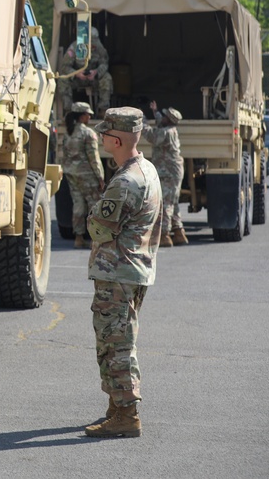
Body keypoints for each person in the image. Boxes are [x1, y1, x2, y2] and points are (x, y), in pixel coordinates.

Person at [84, 106, 162, 438]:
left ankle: (127, 414)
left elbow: (99, 227)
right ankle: (117, 406)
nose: (100, 137)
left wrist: (91, 216)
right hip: (132, 270)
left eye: (104, 133)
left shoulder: (126, 181)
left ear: (115, 140)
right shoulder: (146, 169)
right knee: (115, 339)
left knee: (116, 343)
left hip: (118, 272)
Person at [61, 102, 105, 249]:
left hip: (71, 173)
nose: (90, 116)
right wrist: (100, 177)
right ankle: (95, 239)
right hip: (87, 175)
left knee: (78, 205)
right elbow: (94, 158)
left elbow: (65, 156)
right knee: (94, 206)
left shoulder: (68, 133)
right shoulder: (88, 133)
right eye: (88, 114)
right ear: (82, 116)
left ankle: (78, 238)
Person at [143, 101, 186, 246]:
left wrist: (141, 123)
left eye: (166, 116)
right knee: (173, 201)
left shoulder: (166, 132)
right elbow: (160, 121)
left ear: (169, 120)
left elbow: (152, 136)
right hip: (173, 171)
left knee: (166, 203)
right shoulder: (169, 128)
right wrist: (155, 112)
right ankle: (179, 231)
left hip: (168, 172)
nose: (163, 117)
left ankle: (165, 235)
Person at [57, 28, 113, 114]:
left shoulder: (100, 48)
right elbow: (65, 66)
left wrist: (96, 72)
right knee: (62, 80)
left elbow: (104, 64)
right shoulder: (74, 48)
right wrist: (76, 73)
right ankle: (69, 110)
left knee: (107, 78)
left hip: (93, 79)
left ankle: (103, 110)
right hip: (77, 79)